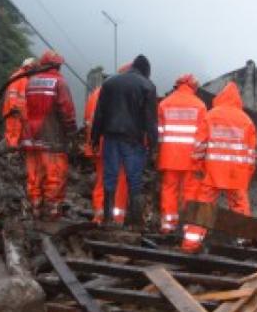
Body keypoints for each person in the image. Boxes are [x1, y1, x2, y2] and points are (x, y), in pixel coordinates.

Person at [181, 81, 257, 252]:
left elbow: (199, 146)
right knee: (240, 208)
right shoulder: (247, 121)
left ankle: (190, 244)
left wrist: (198, 166)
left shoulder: (211, 115)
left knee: (203, 207)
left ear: (220, 98)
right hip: (236, 175)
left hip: (213, 172)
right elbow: (252, 155)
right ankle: (244, 244)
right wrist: (246, 177)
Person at [90, 54, 158, 228]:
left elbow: (100, 113)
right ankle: (134, 222)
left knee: (109, 177)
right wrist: (153, 146)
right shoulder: (148, 86)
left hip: (111, 138)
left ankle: (107, 219)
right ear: (146, 71)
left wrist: (95, 138)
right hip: (133, 141)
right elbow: (150, 120)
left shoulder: (110, 83)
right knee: (134, 179)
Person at [21, 50, 77, 219]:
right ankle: (51, 209)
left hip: (31, 136)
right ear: (57, 65)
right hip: (51, 136)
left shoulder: (30, 82)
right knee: (55, 174)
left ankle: (35, 206)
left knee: (34, 174)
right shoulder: (59, 83)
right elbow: (66, 110)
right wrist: (71, 131)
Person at [157, 74, 208, 234]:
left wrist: (161, 152)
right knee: (190, 192)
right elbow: (202, 137)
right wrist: (200, 159)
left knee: (169, 189)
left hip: (169, 157)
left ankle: (168, 224)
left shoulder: (164, 104)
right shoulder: (200, 106)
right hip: (190, 159)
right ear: (193, 87)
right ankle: (187, 226)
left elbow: (159, 134)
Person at [84, 71, 130, 224]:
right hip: (116, 145)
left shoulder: (94, 95)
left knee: (102, 179)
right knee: (120, 180)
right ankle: (116, 217)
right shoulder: (122, 95)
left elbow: (88, 121)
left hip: (98, 146)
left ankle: (99, 214)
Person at [3, 57, 35, 149]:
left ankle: (10, 152)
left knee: (16, 133)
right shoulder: (19, 76)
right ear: (27, 67)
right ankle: (10, 153)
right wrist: (14, 108)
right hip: (13, 111)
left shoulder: (24, 78)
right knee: (12, 133)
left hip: (19, 112)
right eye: (32, 68)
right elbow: (12, 93)